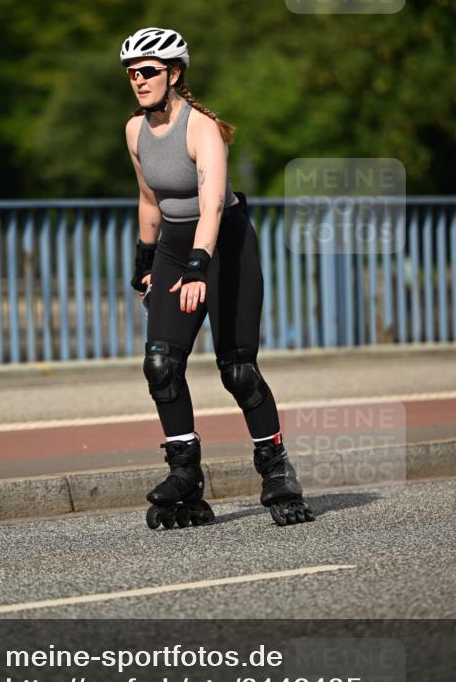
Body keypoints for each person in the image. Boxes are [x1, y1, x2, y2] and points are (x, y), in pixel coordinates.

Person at [123, 27, 314, 530]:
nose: (138, 80)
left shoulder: (200, 127)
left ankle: (277, 472)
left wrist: (197, 268)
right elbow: (149, 201)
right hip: (172, 246)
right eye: (132, 73)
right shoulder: (133, 131)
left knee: (238, 370)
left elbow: (211, 206)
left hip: (224, 245)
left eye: (147, 71)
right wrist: (144, 265)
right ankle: (184, 475)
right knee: (160, 364)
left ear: (174, 74)